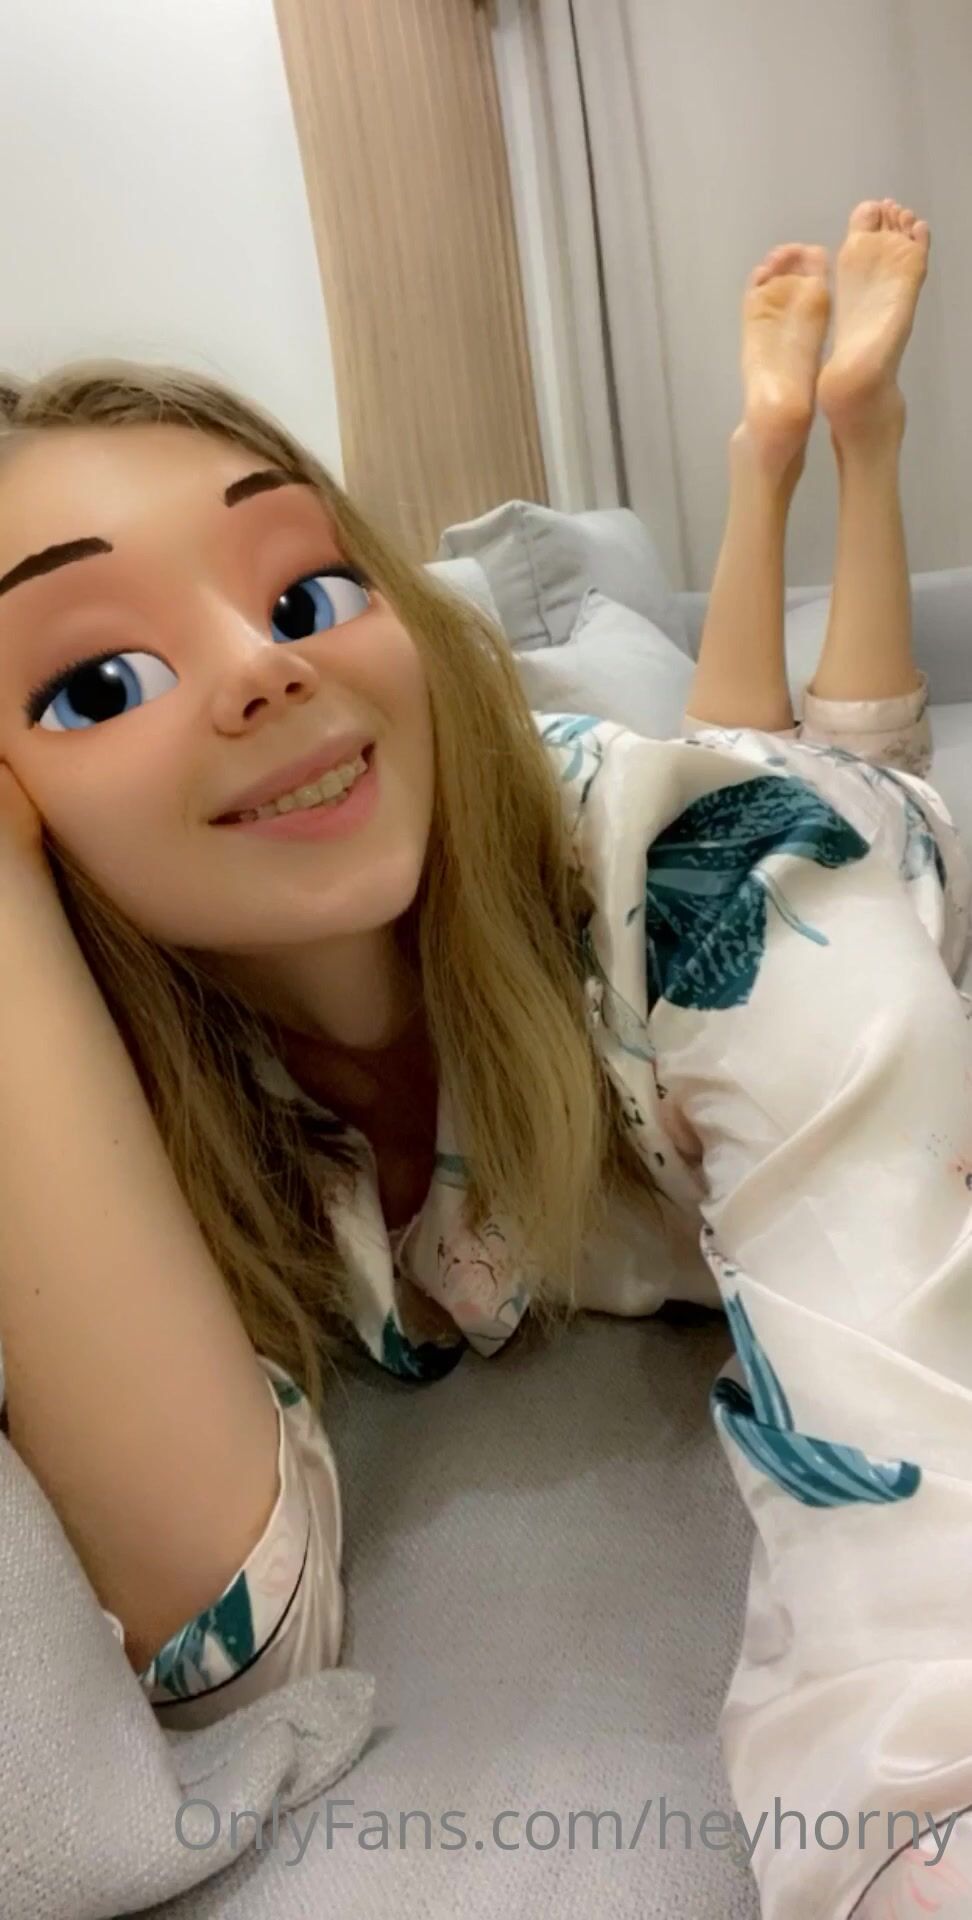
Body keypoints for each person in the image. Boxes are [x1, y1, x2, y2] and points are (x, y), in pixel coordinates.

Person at [0, 197, 969, 1917]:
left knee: (826, 765)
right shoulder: (160, 1091)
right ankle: (766, 452)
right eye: (96, 684)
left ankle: (846, 437)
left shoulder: (729, 878)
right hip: (618, 842)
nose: (268, 668)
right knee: (728, 738)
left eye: (305, 589)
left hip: (821, 850)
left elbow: (922, 1597)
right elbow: (235, 1646)